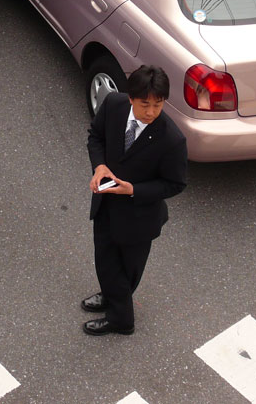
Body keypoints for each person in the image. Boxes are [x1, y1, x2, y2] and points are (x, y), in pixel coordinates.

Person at [82, 65, 187, 336]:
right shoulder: (113, 105)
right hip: (106, 203)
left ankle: (121, 320)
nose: (151, 112)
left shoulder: (172, 139)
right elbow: (95, 137)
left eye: (158, 104)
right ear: (130, 98)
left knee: (128, 269)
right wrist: (99, 166)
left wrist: (133, 190)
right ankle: (111, 296)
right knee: (104, 259)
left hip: (140, 216)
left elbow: (175, 183)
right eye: (144, 104)